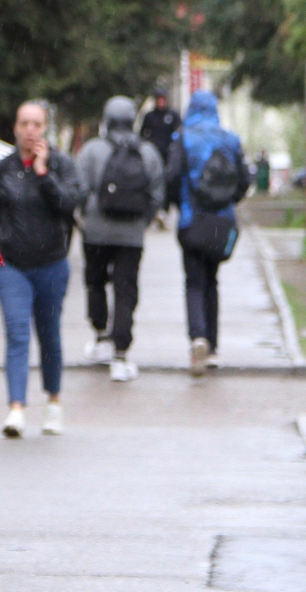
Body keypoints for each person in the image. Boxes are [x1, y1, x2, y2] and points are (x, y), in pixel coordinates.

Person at [0, 101, 83, 436]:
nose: (30, 130)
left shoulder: (62, 166)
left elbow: (69, 205)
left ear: (45, 129)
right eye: (24, 123)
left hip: (51, 265)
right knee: (17, 333)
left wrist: (44, 173)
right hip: (11, 266)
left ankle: (54, 402)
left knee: (49, 335)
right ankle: (16, 408)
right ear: (15, 128)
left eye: (36, 124)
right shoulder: (2, 170)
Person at [74, 95, 165, 382]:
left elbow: (78, 189)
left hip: (96, 232)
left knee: (96, 282)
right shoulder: (148, 152)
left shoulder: (91, 150)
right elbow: (157, 194)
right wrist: (142, 222)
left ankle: (100, 335)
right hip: (131, 235)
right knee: (126, 290)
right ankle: (121, 354)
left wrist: (86, 219)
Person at [165, 89, 250, 376]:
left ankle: (198, 337)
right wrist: (227, 202)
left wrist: (180, 204)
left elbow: (173, 177)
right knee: (213, 282)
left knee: (194, 283)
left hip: (192, 220)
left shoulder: (183, 138)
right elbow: (245, 180)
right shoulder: (230, 139)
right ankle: (212, 347)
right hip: (221, 222)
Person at [138, 88, 182, 223]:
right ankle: (154, 209)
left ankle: (165, 209)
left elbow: (180, 132)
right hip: (153, 155)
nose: (161, 102)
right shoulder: (149, 116)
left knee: (168, 182)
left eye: (163, 99)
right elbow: (142, 135)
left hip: (169, 156)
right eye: (159, 99)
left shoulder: (173, 115)